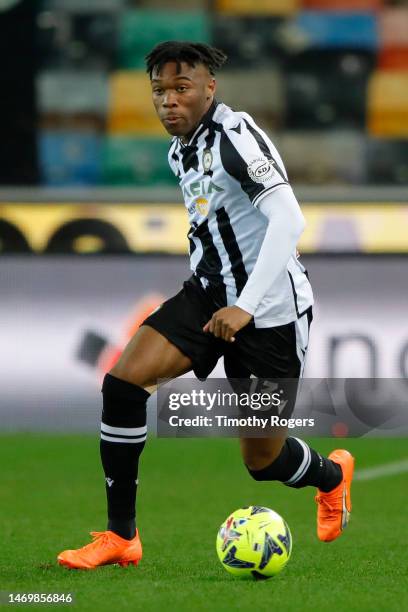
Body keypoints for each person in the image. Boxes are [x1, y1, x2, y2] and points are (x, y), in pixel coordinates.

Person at [57, 41, 354, 570]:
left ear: (209, 88)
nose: (168, 101)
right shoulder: (180, 150)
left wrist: (245, 305)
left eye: (181, 88)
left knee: (262, 461)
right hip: (207, 296)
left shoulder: (236, 138)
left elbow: (288, 220)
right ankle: (120, 536)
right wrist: (219, 292)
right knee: (123, 384)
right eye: (159, 91)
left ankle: (331, 478)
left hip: (270, 313)